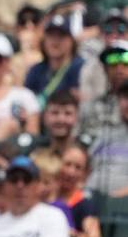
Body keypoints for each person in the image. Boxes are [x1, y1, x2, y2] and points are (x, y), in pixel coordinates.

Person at [0, 156, 70, 237]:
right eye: (14, 179)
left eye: (27, 179)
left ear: (37, 185)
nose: (20, 185)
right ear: (5, 185)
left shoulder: (52, 217)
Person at [80, 43, 128, 196]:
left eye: (126, 60)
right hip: (95, 183)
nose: (119, 68)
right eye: (113, 61)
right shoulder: (91, 108)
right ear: (105, 68)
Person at [24, 15, 85, 109]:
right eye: (51, 35)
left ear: (72, 41)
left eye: (61, 36)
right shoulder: (35, 71)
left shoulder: (81, 68)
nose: (55, 41)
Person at [57, 145, 102, 237]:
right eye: (67, 164)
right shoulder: (45, 196)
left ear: (85, 173)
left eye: (78, 167)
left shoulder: (85, 202)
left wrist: (74, 236)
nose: (71, 172)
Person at [31, 90, 82, 157]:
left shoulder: (85, 152)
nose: (61, 119)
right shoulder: (33, 151)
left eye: (68, 113)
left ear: (77, 118)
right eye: (55, 113)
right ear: (44, 117)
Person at [10, 5, 44, 87]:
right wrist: (26, 49)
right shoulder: (8, 62)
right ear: (16, 30)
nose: (29, 26)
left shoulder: (52, 58)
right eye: (23, 22)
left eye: (34, 21)